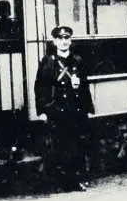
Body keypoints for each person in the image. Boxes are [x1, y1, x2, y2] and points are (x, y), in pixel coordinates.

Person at [34, 26, 95, 192]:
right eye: (60, 39)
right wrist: (42, 111)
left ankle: (76, 181)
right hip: (57, 110)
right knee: (58, 147)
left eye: (66, 38)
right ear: (54, 42)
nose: (64, 42)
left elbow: (84, 86)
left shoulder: (77, 61)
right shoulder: (48, 62)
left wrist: (89, 108)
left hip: (75, 110)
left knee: (76, 146)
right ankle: (60, 182)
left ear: (70, 41)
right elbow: (40, 88)